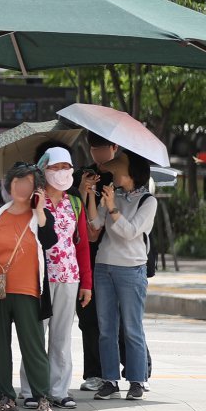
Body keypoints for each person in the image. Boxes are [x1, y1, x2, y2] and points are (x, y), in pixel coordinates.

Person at [0, 162, 58, 411]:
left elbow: (49, 240)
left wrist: (40, 210)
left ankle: (43, 399)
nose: (21, 187)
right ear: (10, 185)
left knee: (33, 347)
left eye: (27, 183)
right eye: (17, 182)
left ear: (36, 188)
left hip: (28, 290)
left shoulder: (40, 215)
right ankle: (6, 398)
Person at [19, 146, 92, 409]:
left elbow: (81, 246)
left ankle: (59, 390)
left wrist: (87, 283)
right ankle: (31, 389)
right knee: (36, 334)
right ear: (43, 170)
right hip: (37, 278)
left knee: (62, 336)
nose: (62, 173)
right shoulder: (32, 202)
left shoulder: (75, 203)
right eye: (56, 167)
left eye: (66, 167)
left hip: (68, 276)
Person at [87, 150, 156, 402]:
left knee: (132, 328)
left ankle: (137, 380)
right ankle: (109, 380)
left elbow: (131, 232)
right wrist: (90, 196)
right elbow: (95, 224)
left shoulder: (148, 201)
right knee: (106, 328)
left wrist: (114, 208)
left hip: (132, 268)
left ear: (132, 173)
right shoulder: (113, 194)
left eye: (118, 169)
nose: (113, 173)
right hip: (104, 266)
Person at [75, 131, 116, 392]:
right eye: (93, 149)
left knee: (120, 317)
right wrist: (82, 190)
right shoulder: (83, 175)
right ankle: (94, 372)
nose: (98, 154)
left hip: (118, 255)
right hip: (87, 256)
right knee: (88, 315)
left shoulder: (125, 174)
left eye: (103, 148)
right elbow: (74, 214)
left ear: (115, 147)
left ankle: (137, 369)